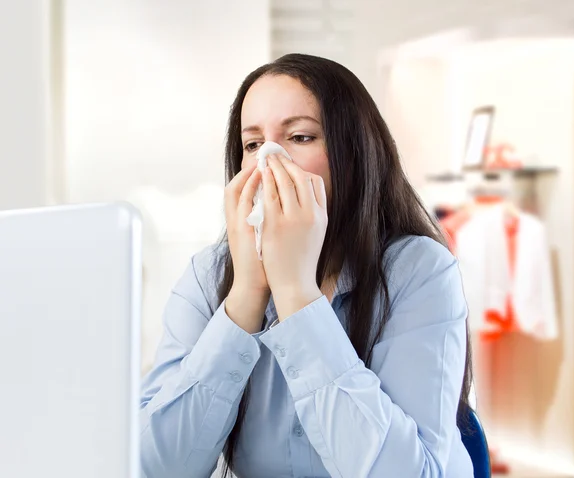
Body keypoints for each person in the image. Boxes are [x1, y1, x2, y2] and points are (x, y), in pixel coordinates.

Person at [140, 53, 474, 478]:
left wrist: (297, 293)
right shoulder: (208, 277)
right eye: (254, 144)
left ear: (354, 154)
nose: (269, 161)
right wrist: (244, 297)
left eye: (299, 137)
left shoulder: (419, 271)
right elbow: (152, 468)